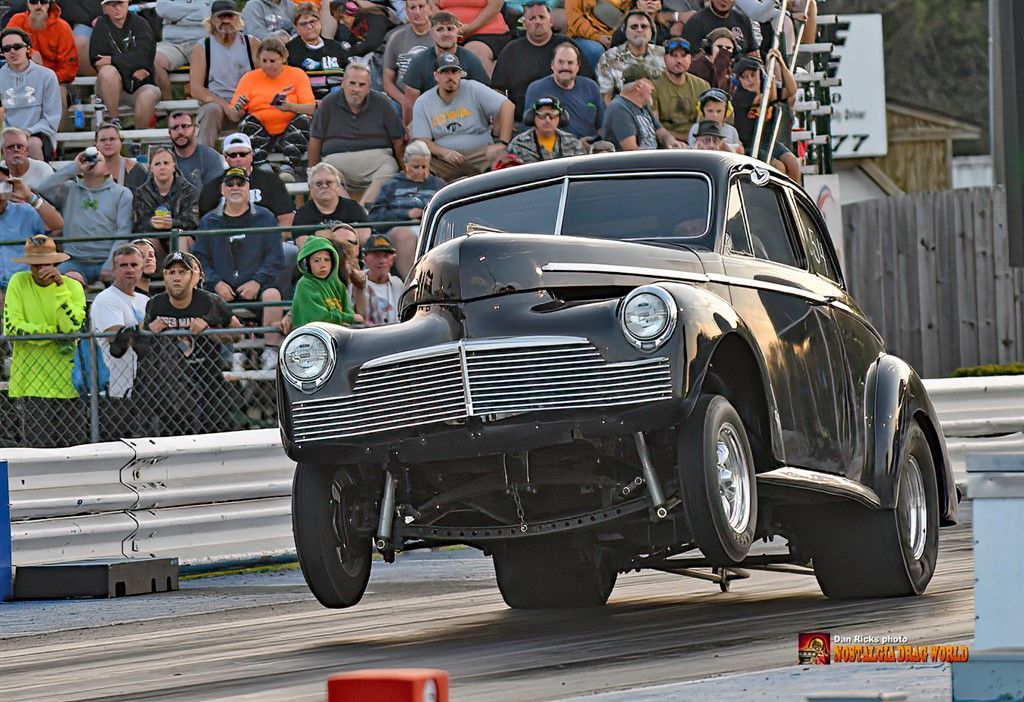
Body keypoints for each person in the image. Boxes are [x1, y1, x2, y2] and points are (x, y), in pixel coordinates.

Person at [193, 167, 285, 369]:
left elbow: (275, 257)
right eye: (230, 183)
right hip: (221, 287)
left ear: (248, 187)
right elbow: (200, 259)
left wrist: (257, 281)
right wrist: (216, 283)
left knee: (272, 295)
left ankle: (271, 352)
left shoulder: (265, 217)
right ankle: (233, 352)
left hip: (257, 286)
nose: (235, 187)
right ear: (222, 189)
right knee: (205, 298)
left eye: (240, 183)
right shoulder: (208, 221)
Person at [143, 249, 242, 434]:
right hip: (170, 385)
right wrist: (150, 331)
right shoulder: (156, 304)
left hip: (208, 381)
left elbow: (238, 334)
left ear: (194, 275)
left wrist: (211, 331)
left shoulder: (211, 301)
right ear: (164, 276)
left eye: (182, 272)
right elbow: (143, 340)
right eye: (172, 272)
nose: (177, 277)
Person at [2, 234, 87, 447]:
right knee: (39, 450)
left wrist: (59, 288)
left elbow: (70, 328)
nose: (40, 270)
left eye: (45, 264)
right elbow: (11, 328)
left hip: (69, 383)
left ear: (56, 263)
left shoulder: (72, 287)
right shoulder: (18, 282)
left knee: (73, 450)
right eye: (34, 265)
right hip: (32, 384)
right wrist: (50, 333)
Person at [308, 62, 406, 197]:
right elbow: (315, 141)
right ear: (342, 83)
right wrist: (313, 171)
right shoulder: (328, 103)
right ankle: (352, 210)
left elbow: (398, 141)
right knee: (325, 176)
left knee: (389, 169)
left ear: (369, 86)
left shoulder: (383, 102)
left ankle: (363, 209)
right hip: (335, 163)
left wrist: (405, 170)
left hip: (378, 161)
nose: (356, 89)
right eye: (352, 83)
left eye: (361, 85)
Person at [410, 53, 513, 180]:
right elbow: (422, 140)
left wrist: (503, 142)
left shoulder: (473, 88)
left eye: (454, 71)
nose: (450, 77)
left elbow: (507, 106)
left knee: (506, 159)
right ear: (436, 75)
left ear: (460, 74)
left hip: (481, 154)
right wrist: (444, 152)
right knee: (419, 159)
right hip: (445, 160)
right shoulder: (423, 101)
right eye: (445, 72)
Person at [38, 148, 132, 286]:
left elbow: (123, 232)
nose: (91, 162)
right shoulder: (70, 189)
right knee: (62, 282)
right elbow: (43, 188)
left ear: (107, 166)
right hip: (74, 261)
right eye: (88, 160)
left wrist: (110, 263)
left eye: (97, 159)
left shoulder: (122, 193)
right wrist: (74, 167)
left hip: (107, 260)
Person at [227, 38, 316, 180]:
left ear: (284, 58)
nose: (268, 65)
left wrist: (290, 107)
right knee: (246, 122)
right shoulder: (249, 78)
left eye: (273, 61)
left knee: (304, 119)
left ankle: (289, 166)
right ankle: (263, 166)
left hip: (290, 132)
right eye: (264, 61)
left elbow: (311, 108)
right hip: (261, 133)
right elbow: (233, 116)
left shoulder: (297, 74)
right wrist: (237, 108)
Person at [491, 0, 595, 121]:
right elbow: (498, 91)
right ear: (524, 24)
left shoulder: (567, 47)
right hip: (523, 121)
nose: (538, 22)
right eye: (532, 18)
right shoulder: (511, 50)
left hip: (565, 119)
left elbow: (588, 82)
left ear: (550, 21)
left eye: (542, 17)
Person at [365, 140, 443, 277]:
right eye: (416, 167)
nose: (421, 172)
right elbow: (374, 217)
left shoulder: (438, 185)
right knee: (404, 235)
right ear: (406, 165)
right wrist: (406, 214)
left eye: (425, 167)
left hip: (428, 227)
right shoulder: (392, 185)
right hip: (400, 230)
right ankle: (412, 283)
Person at [190, 0, 261, 148]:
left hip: (248, 104)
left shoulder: (251, 43)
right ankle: (203, 160)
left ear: (238, 19)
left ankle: (260, 161)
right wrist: (227, 107)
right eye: (221, 17)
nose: (226, 20)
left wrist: (242, 105)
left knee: (262, 108)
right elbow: (196, 89)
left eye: (230, 16)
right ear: (211, 21)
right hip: (219, 106)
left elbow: (262, 78)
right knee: (211, 110)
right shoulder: (202, 47)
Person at [401, 11, 490, 124]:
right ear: (431, 32)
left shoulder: (471, 60)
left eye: (450, 29)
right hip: (430, 124)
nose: (445, 34)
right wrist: (411, 132)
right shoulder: (418, 62)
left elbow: (485, 100)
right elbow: (410, 104)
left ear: (458, 31)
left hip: (466, 123)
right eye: (440, 29)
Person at [89, 0, 162, 129]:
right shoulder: (101, 25)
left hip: (140, 85)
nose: (116, 7)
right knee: (107, 72)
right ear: (105, 7)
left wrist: (113, 60)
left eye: (120, 3)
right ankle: (114, 121)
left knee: (148, 95)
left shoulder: (141, 24)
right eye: (112, 4)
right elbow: (97, 61)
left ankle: (137, 141)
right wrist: (131, 66)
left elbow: (145, 58)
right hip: (111, 88)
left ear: (128, 3)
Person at [90, 244, 148, 399]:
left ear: (141, 268)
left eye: (134, 265)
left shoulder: (145, 300)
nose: (129, 269)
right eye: (123, 265)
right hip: (116, 390)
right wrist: (151, 325)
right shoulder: (105, 299)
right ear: (114, 270)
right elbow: (116, 339)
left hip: (145, 387)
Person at [731, 51, 800, 181]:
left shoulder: (767, 87)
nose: (750, 80)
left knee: (793, 163)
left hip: (767, 140)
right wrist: (770, 71)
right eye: (744, 77)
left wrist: (780, 62)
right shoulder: (740, 96)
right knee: (778, 167)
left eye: (753, 74)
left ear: (760, 75)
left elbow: (792, 90)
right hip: (749, 144)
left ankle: (796, 200)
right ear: (738, 80)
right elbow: (767, 98)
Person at [0, 166, 59, 310]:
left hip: (27, 282)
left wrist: (30, 197)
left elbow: (57, 224)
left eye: (3, 185)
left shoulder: (25, 211)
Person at [0, 28, 61, 161]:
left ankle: (40, 181)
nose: (12, 51)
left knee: (32, 144)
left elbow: (51, 118)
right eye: (6, 48)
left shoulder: (47, 76)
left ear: (27, 48)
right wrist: (10, 134)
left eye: (17, 47)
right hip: (5, 133)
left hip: (39, 134)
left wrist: (27, 132)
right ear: (2, 53)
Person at [524, 41, 603, 140]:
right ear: (552, 64)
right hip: (555, 149)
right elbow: (529, 130)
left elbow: (602, 126)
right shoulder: (536, 89)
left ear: (578, 66)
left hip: (589, 148)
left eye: (570, 63)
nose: (565, 67)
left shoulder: (591, 87)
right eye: (560, 62)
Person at [601, 63, 683, 150]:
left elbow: (660, 131)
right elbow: (631, 150)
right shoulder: (619, 109)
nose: (653, 88)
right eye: (649, 83)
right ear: (639, 86)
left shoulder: (644, 106)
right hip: (636, 162)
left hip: (651, 159)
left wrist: (672, 143)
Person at [131, 146, 200, 244]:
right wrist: (152, 223)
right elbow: (137, 225)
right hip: (153, 241)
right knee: (148, 240)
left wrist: (172, 224)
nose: (162, 167)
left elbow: (193, 222)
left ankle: (178, 260)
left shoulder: (189, 191)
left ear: (174, 167)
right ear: (151, 168)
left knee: (181, 237)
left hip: (180, 240)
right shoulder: (140, 193)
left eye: (166, 163)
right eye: (157, 164)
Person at [293, 161, 369, 248]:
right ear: (310, 188)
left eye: (329, 182)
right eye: (319, 184)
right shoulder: (303, 212)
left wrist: (322, 235)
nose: (324, 186)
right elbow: (301, 241)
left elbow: (365, 237)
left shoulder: (353, 207)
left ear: (338, 186)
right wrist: (340, 235)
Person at [291, 235, 362, 327]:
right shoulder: (305, 284)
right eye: (317, 260)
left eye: (327, 260)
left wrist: (349, 317)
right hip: (312, 335)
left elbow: (348, 310)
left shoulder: (338, 285)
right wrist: (350, 318)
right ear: (307, 264)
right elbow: (319, 317)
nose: (322, 264)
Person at [595, 10, 664, 103]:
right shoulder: (608, 57)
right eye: (634, 27)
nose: (639, 30)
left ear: (651, 31)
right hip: (625, 112)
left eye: (644, 26)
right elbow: (606, 98)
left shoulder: (663, 54)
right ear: (625, 31)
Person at [287, 3, 349, 101]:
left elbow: (348, 74)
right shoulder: (290, 50)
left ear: (320, 22)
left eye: (313, 21)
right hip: (307, 102)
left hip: (339, 100)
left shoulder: (336, 47)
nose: (309, 26)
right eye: (303, 23)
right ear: (296, 27)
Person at [6, 0, 79, 84]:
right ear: (27, 3)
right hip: (19, 79)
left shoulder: (63, 27)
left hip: (54, 82)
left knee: (60, 94)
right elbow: (6, 48)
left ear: (50, 4)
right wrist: (29, 52)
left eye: (44, 1)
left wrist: (44, 79)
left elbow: (69, 69)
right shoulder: (17, 20)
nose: (39, 6)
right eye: (33, 1)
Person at [381, 0, 435, 112]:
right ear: (406, 12)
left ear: (430, 9)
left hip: (434, 99)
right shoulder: (396, 38)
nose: (417, 11)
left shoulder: (440, 35)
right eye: (412, 8)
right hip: (402, 99)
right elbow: (387, 81)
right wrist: (404, 101)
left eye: (421, 7)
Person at [651, 37, 709, 141]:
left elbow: (705, 123)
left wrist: (694, 140)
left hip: (697, 142)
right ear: (665, 58)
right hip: (665, 144)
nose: (679, 60)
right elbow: (654, 126)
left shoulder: (702, 85)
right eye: (673, 56)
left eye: (683, 56)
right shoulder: (653, 86)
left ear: (690, 58)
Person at [154, 0, 213, 100]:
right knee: (155, 59)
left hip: (202, 42)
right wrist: (196, 9)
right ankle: (168, 108)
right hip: (172, 43)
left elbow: (209, 13)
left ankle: (206, 104)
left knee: (217, 56)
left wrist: (177, 17)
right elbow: (162, 10)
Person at [507, 96, 588, 162]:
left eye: (553, 114)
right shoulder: (519, 144)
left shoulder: (572, 142)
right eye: (542, 115)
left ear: (561, 118)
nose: (547, 120)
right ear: (532, 117)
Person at [439, 0, 510, 75]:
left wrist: (469, 28)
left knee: (475, 52)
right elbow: (432, 6)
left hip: (485, 30)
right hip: (445, 30)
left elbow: (495, 6)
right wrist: (447, 27)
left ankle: (486, 85)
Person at [167, 110, 225, 190]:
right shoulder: (163, 159)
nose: (180, 131)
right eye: (175, 128)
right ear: (169, 133)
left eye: (184, 126)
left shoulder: (211, 157)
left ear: (195, 130)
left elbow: (213, 194)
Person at [565, 0, 630, 71]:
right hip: (583, 36)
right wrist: (598, 37)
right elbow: (575, 21)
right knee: (596, 50)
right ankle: (594, 80)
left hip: (613, 35)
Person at [681, 0, 756, 60]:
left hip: (741, 74)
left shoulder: (742, 19)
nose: (724, 1)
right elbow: (688, 58)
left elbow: (753, 52)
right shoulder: (696, 22)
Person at [360, 233, 404, 326]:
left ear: (392, 259)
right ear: (365, 258)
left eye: (386, 256)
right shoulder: (357, 282)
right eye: (377, 256)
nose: (382, 261)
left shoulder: (398, 285)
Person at [93, 122, 147, 190]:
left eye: (112, 139)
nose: (108, 143)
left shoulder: (137, 170)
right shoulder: (88, 170)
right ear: (96, 144)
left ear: (121, 142)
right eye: (103, 140)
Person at [686, 87, 741, 151]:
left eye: (719, 111)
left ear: (727, 112)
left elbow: (737, 151)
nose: (715, 115)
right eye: (710, 111)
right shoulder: (696, 128)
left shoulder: (732, 131)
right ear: (702, 112)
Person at [60, 0, 104, 77]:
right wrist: (91, 19)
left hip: (116, 15)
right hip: (84, 21)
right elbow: (65, 6)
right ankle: (100, 80)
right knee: (80, 43)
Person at [609, 0, 678, 47]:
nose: (650, 2)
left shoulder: (664, 29)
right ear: (636, 3)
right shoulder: (625, 28)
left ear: (660, 5)